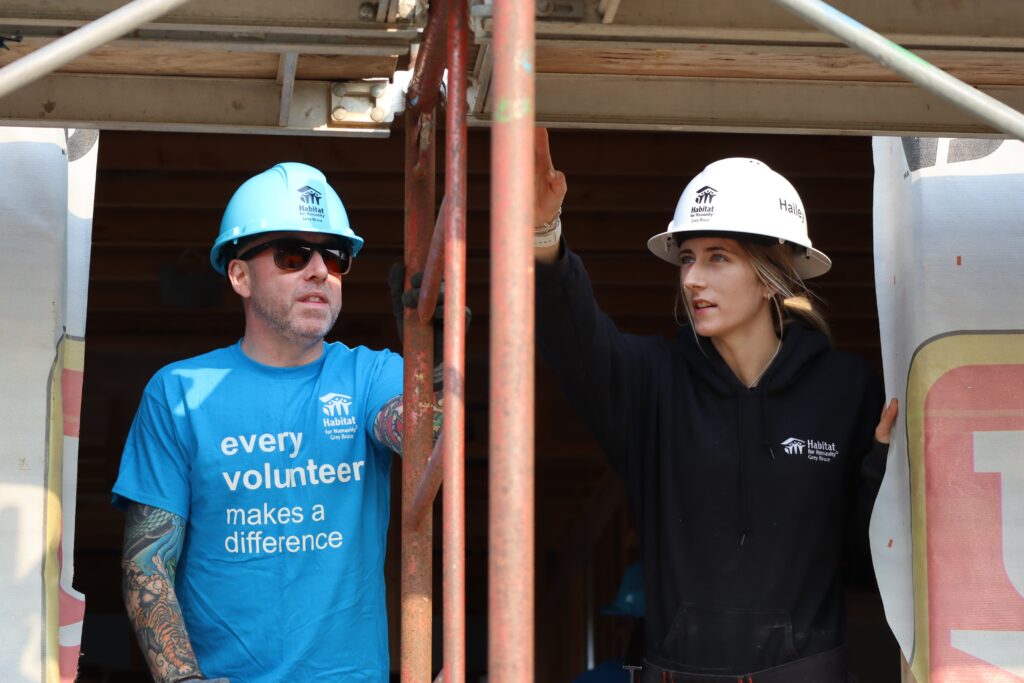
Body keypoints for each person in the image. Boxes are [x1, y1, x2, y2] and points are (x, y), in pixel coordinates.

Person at [533, 130, 898, 682]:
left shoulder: (845, 389)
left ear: (773, 271)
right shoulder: (652, 382)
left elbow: (862, 563)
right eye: (686, 258)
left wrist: (878, 468)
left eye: (717, 257)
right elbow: (573, 339)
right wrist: (543, 233)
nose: (691, 278)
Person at [112, 162, 441, 682]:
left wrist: (430, 367)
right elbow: (146, 563)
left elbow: (431, 444)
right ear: (239, 275)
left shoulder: (374, 374)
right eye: (292, 254)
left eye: (334, 258)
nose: (318, 271)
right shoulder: (178, 393)